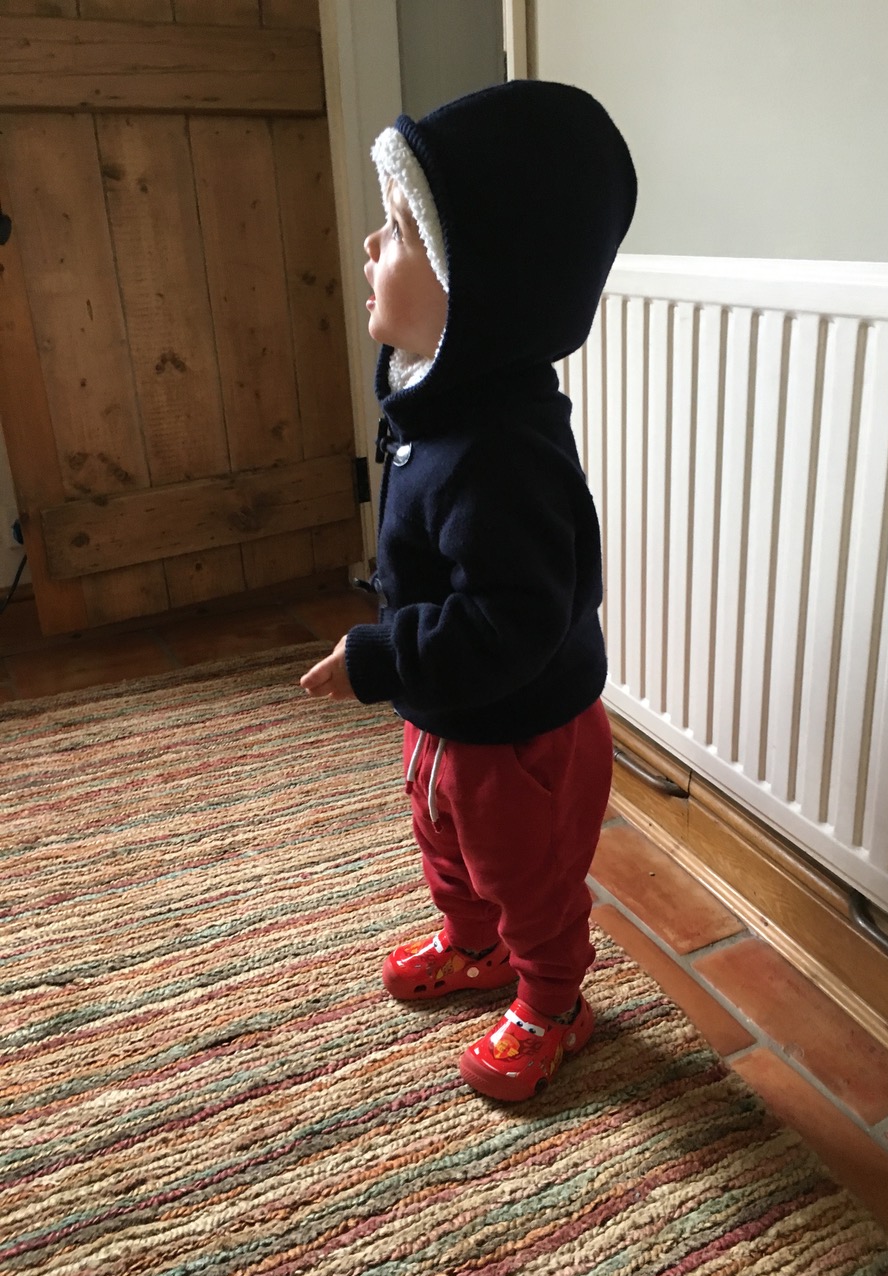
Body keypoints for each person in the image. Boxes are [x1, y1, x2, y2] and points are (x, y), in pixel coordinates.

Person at [301, 79, 637, 1102]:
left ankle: (553, 999)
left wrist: (381, 656)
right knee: (445, 844)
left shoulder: (504, 449)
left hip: (520, 736)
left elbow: (513, 618)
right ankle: (474, 942)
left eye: (402, 231)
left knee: (527, 877)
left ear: (480, 290)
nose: (371, 244)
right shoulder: (439, 401)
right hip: (454, 709)